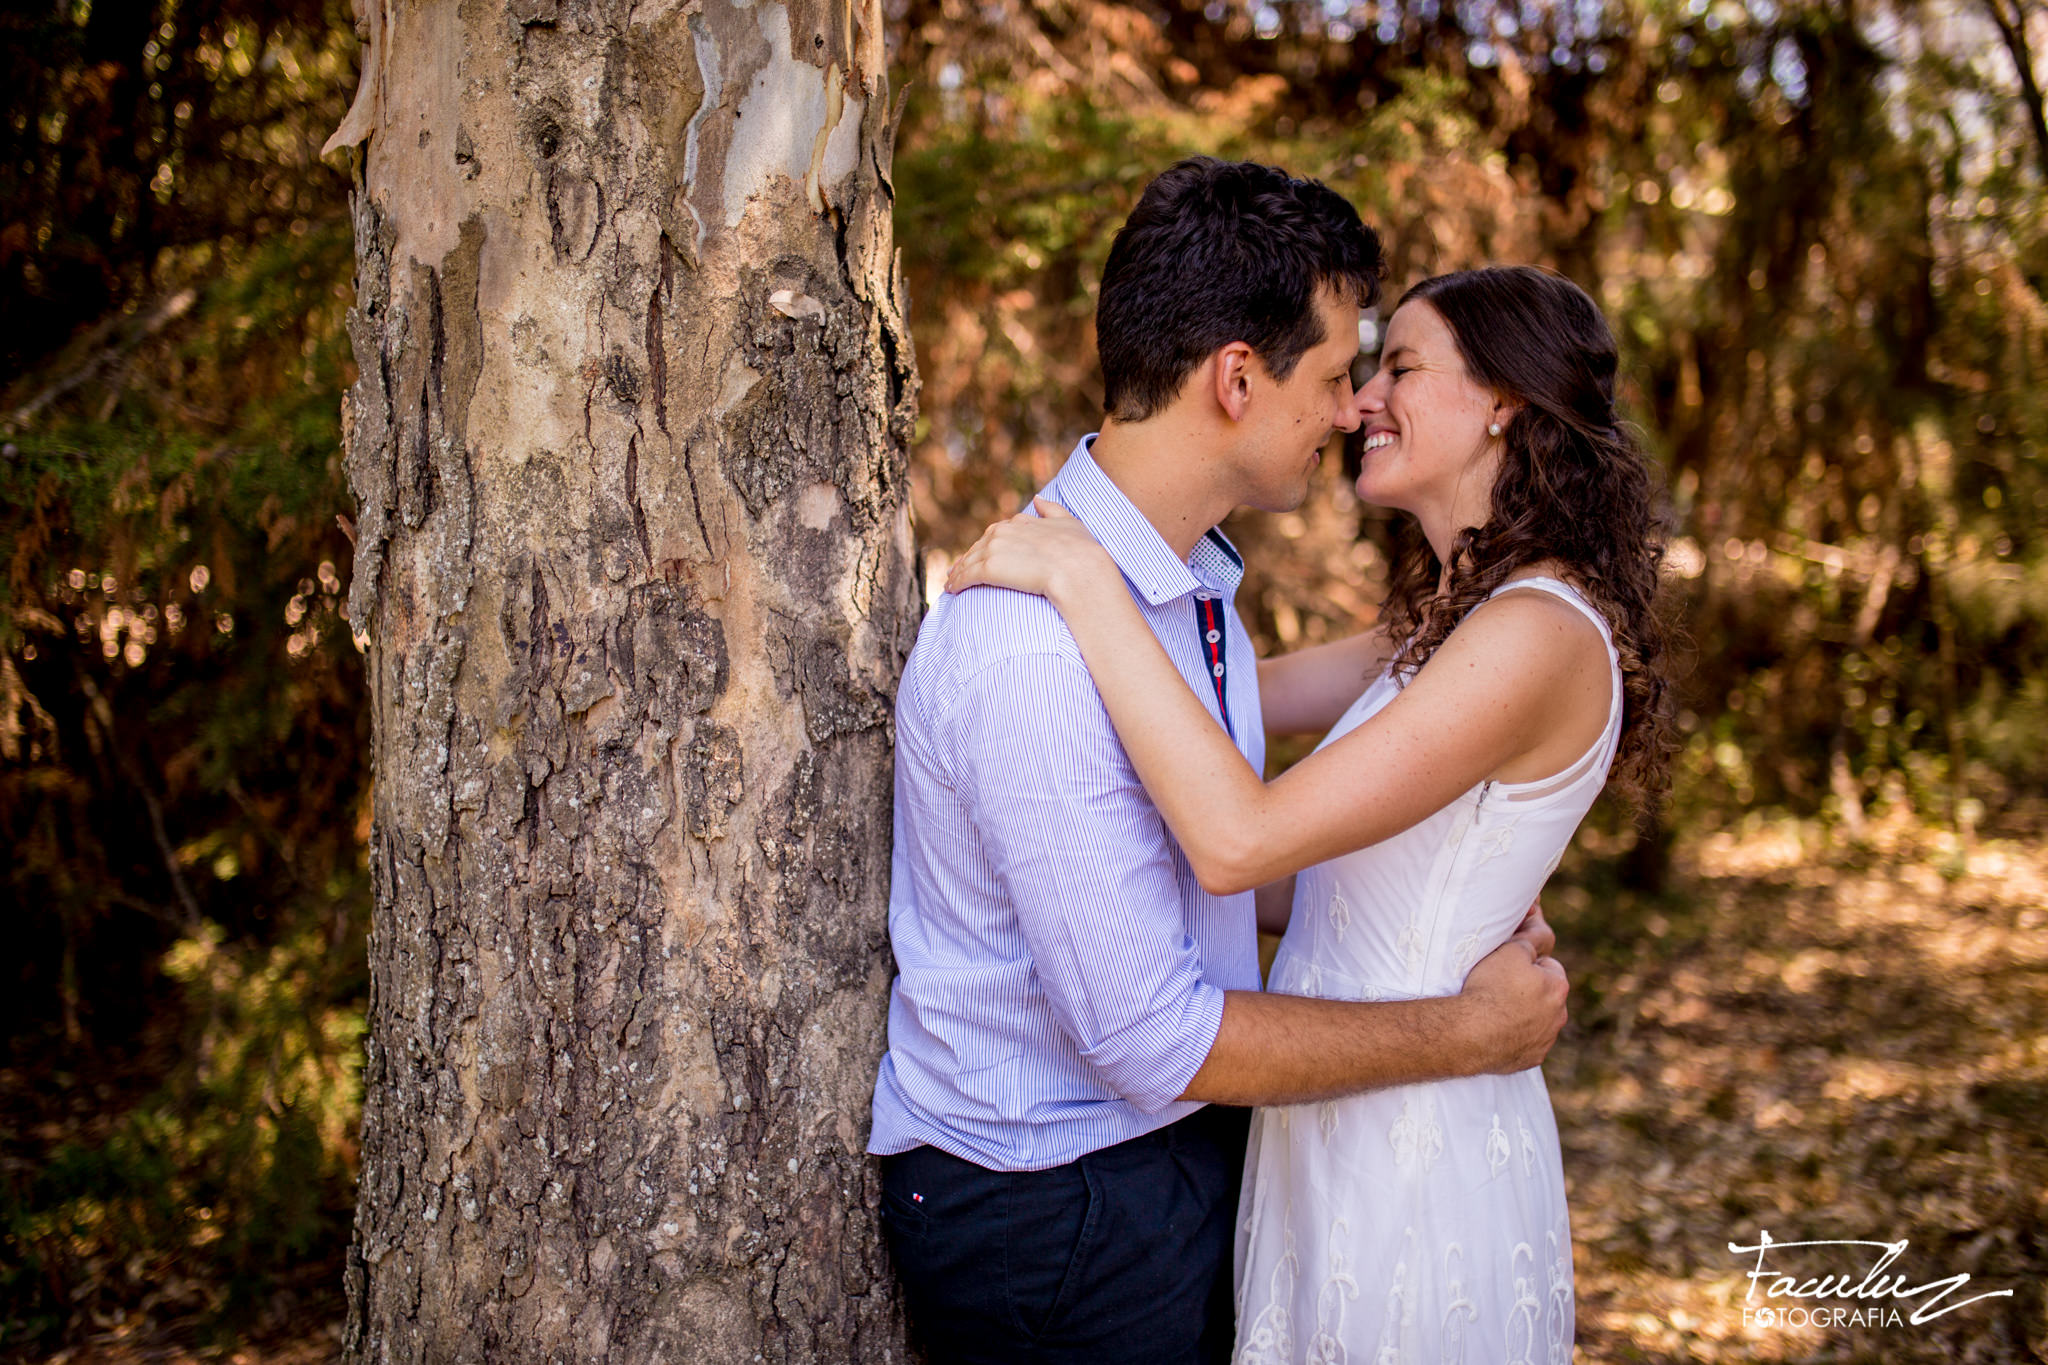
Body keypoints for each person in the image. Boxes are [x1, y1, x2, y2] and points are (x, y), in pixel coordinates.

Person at [867, 157, 1574, 1365]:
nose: (1351, 409)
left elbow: (1185, 883)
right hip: (1060, 1209)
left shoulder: (1183, 592)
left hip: (1163, 1157)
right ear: (1236, 380)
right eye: (1337, 373)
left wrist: (1442, 908)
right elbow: (1149, 1037)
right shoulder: (1035, 643)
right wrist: (1459, 1034)